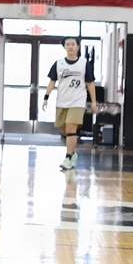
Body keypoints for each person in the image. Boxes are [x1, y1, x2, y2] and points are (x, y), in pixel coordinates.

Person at [42, 37, 97, 170]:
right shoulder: (59, 63)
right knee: (64, 131)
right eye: (68, 44)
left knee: (71, 128)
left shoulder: (84, 63)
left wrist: (94, 102)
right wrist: (46, 97)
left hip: (78, 101)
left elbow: (90, 83)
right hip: (62, 101)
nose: (70, 46)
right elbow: (52, 81)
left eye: (73, 44)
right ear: (64, 47)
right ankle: (72, 154)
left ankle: (67, 158)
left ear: (77, 47)